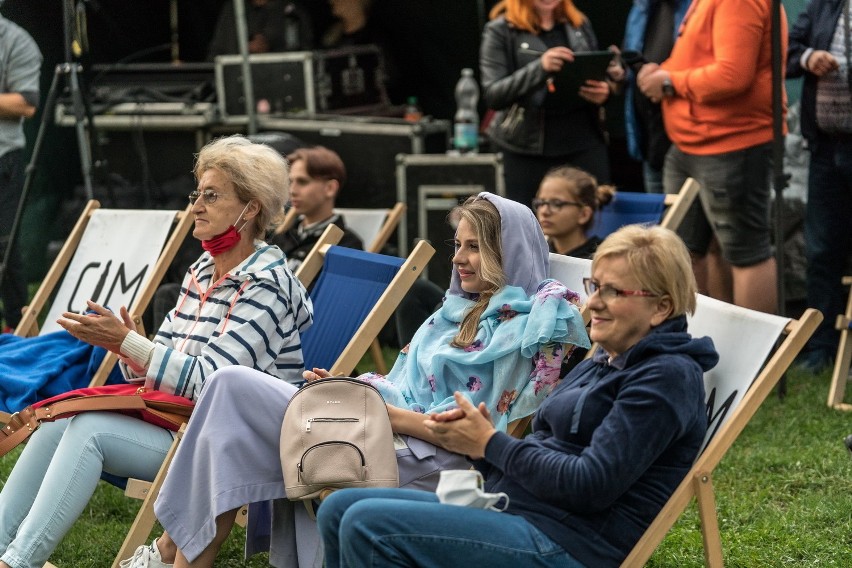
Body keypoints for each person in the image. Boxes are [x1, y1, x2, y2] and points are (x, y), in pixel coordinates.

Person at [122, 192, 590, 568]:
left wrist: (376, 410)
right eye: (457, 246)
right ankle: (176, 560)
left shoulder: (523, 330)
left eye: (475, 247)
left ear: (507, 252)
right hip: (375, 425)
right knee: (231, 408)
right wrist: (351, 386)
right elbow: (407, 382)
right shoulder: (454, 311)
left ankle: (168, 556)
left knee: (230, 389)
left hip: (425, 460)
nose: (459, 260)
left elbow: (472, 435)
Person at [317, 224, 718, 568]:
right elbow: (546, 448)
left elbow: (590, 483)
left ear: (661, 307)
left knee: (366, 525)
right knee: (339, 509)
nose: (593, 302)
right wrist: (477, 444)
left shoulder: (665, 378)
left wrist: (491, 445)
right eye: (595, 286)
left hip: (570, 543)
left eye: (614, 292)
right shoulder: (611, 359)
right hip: (521, 510)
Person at [0, 135, 313, 568]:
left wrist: (128, 344)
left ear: (251, 207)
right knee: (59, 426)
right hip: (180, 423)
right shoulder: (202, 269)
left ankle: (18, 562)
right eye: (196, 194)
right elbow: (159, 367)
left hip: (233, 443)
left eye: (211, 195)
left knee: (89, 432)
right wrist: (132, 351)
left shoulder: (269, 285)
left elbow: (214, 383)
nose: (196, 206)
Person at [636, 0, 785, 315]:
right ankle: (703, 346)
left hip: (731, 143)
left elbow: (732, 75)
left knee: (746, 252)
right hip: (689, 144)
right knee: (687, 250)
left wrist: (668, 80)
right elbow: (702, 56)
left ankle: (758, 358)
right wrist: (665, 69)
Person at [480, 0, 622, 207]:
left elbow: (595, 74)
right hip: (526, 147)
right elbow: (494, 94)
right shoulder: (500, 29)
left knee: (595, 216)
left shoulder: (578, 24)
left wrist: (606, 91)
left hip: (584, 140)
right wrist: (540, 68)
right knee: (528, 223)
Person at [786, 0, 852, 373]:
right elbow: (785, 51)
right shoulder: (824, 4)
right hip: (826, 148)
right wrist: (809, 58)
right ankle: (821, 348)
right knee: (822, 251)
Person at [621, 0, 691, 193]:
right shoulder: (641, 7)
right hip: (649, 135)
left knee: (681, 217)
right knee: (658, 217)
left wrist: (666, 80)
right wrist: (619, 73)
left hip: (688, 139)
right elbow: (630, 58)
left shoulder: (699, 6)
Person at [0, 10, 41, 333]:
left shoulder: (17, 41)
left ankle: (16, 327)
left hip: (4, 156)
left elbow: (25, 103)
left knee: (5, 244)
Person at [269, 145, 363, 272]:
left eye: (302, 182)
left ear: (330, 188)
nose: (292, 190)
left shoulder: (347, 246)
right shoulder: (281, 237)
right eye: (290, 182)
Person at [534, 165, 614, 259]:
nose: (544, 211)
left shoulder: (602, 259)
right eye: (541, 202)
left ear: (584, 215)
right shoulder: (534, 252)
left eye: (556, 203)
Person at [207, 0, 313, 60]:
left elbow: (303, 56)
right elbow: (215, 55)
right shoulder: (232, 9)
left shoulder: (291, 12)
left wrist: (268, 50)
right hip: (236, 86)